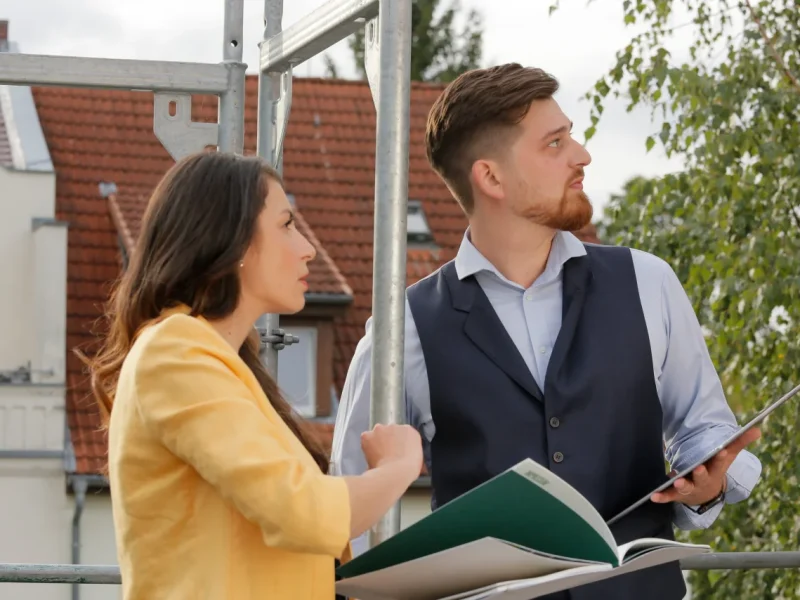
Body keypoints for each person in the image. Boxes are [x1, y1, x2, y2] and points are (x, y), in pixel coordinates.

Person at [330, 63, 762, 599]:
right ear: (491, 178)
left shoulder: (648, 282)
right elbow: (342, 511)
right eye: (555, 144)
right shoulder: (402, 331)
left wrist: (709, 479)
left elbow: (707, 431)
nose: (581, 155)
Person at [81, 151, 424, 600]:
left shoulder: (215, 359)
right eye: (286, 225)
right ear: (232, 241)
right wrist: (400, 466)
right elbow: (305, 513)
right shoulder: (176, 350)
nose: (308, 247)